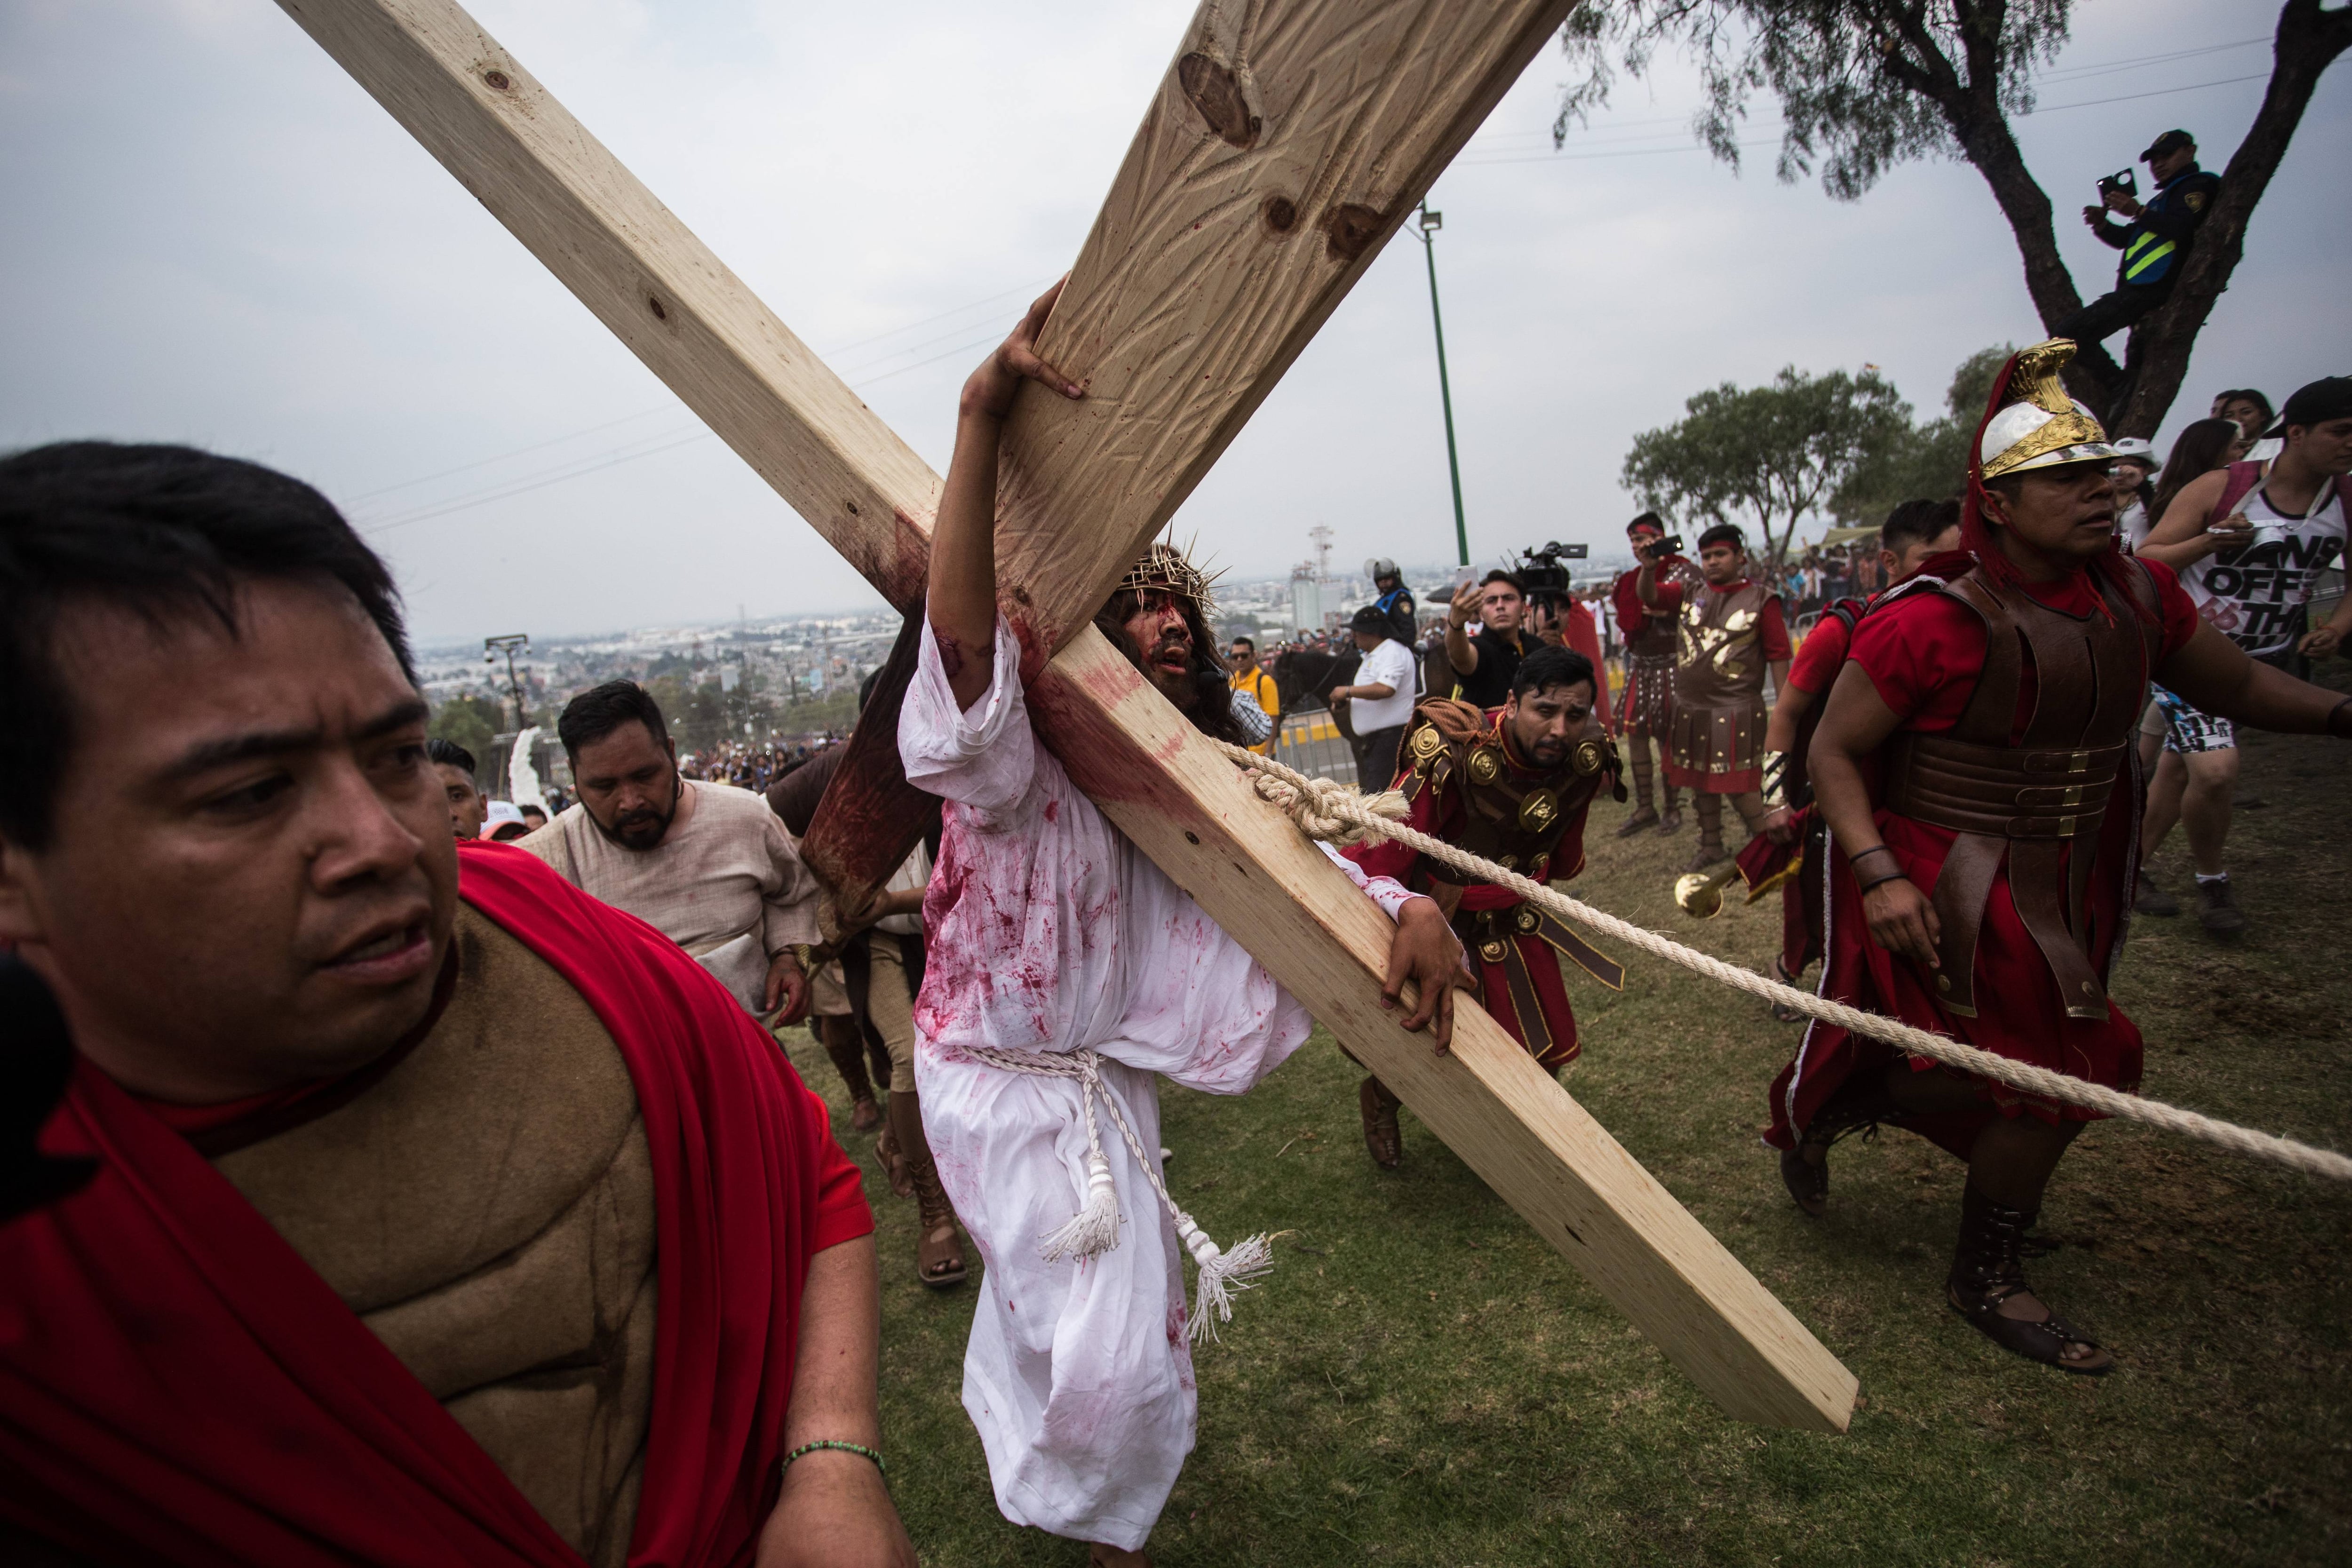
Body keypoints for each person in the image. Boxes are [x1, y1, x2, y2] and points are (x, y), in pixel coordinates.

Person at [0, 441, 908, 1566]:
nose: (382, 843)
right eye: (247, 792)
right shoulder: (36, 1242)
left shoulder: (555, 942)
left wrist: (827, 1465)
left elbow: (804, 1178)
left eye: (391, 760)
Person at [901, 284, 1466, 1567]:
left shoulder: (1193, 773)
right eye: (1134, 602)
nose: (1161, 624)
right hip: (996, 1079)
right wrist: (980, 416)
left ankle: (1084, 1492)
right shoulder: (1014, 764)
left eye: (1180, 610)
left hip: (1101, 1089)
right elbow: (965, 642)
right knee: (1108, 1362)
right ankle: (1106, 1530)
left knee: (1118, 1331)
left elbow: (1268, 872)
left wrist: (1407, 899)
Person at [1764, 341, 2352, 1377]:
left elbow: (2248, 689)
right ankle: (1983, 1271)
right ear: (1997, 502)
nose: (2103, 493)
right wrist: (1876, 873)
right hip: (1947, 874)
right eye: (2067, 479)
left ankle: (1852, 1096)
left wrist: (2345, 713)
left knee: (2032, 1068)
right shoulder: (1927, 622)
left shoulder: (2139, 597)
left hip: (2072, 869)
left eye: (2106, 475)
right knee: (2074, 1069)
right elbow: (1834, 751)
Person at [1342, 645, 1626, 1167]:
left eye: (1575, 714)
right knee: (1420, 1043)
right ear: (1513, 704)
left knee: (1538, 1047)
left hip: (1515, 919)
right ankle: (1381, 1099)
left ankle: (1521, 1145)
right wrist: (1409, 915)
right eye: (1545, 710)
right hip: (1441, 926)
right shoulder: (1449, 753)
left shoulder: (1585, 759)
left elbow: (1562, 860)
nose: (1560, 729)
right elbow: (1383, 851)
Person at [2134, 375, 2352, 935]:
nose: (2349, 443)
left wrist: (2335, 627)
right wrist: (2209, 541)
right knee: (2215, 770)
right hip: (2193, 657)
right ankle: (2213, 885)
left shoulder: (2345, 501)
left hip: (2268, 661)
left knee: (2179, 770)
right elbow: (2147, 559)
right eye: (2340, 431)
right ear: (2296, 434)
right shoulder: (2221, 488)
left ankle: (2127, 867)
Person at [770, 715, 969, 1292]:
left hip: (946, 940)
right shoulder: (836, 772)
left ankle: (896, 1139)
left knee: (962, 1066)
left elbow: (968, 883)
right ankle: (935, 1216)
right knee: (910, 1060)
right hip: (878, 946)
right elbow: (763, 825)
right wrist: (827, 887)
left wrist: (886, 901)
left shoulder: (965, 767)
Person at [1749, 501, 1960, 1019]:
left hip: (1917, 805)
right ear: (1889, 562)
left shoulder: (1965, 626)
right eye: (1932, 560)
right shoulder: (1842, 628)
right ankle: (1790, 974)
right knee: (1820, 904)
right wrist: (1774, 801)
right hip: (1838, 802)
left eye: (1961, 563)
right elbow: (1785, 716)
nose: (1951, 577)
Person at [519, 680, 819, 1021]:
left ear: (672, 754)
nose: (631, 801)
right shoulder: (547, 860)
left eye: (645, 775)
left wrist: (788, 956)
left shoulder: (746, 818)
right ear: (575, 777)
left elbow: (791, 893)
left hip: (751, 1047)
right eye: (605, 786)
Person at [1638, 522, 1792, 872]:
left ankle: (1769, 847)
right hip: (1691, 708)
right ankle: (1712, 845)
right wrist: (1649, 569)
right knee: (1699, 780)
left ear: (1740, 557)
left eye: (1720, 554)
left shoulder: (1762, 600)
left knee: (1742, 785)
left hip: (1736, 709)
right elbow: (1649, 596)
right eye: (1706, 556)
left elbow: (1780, 656)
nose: (1712, 562)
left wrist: (1787, 710)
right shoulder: (1690, 590)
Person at [2058, 129, 2221, 350]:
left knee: (2067, 333)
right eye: (2154, 161)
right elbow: (2126, 238)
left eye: (2167, 156)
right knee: (2136, 370)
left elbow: (2182, 228)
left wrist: (2138, 212)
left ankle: (2116, 383)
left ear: (2191, 151)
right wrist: (2101, 224)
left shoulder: (2198, 185)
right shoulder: (2159, 201)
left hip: (2156, 289)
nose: (2159, 165)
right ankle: (2122, 384)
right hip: (2139, 292)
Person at [1611, 513, 1697, 836]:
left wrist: (1672, 613)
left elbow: (1700, 608)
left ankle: (1673, 808)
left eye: (1643, 539)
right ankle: (1645, 806)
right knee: (1635, 735)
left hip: (1672, 665)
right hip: (1642, 666)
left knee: (1668, 737)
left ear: (1659, 537)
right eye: (1633, 541)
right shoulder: (1631, 576)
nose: (1638, 546)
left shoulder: (1682, 568)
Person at [1330, 603, 1419, 790]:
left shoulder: (1392, 651)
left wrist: (1347, 691)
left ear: (1372, 631)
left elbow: (1387, 689)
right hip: (1377, 742)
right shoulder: (1375, 655)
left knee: (1381, 799)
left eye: (1357, 631)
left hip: (1390, 740)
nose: (1353, 636)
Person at [1443, 568, 1529, 709]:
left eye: (1508, 598)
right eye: (1491, 601)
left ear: (1524, 607)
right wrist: (1456, 624)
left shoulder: (1537, 646)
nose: (1500, 606)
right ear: (1481, 612)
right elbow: (1460, 657)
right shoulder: (1481, 649)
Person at [1228, 633, 1281, 756]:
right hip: (1240, 754)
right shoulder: (1231, 682)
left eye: (1244, 656)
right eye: (1235, 656)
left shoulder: (1265, 682)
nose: (1240, 660)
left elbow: (1273, 718)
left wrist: (1268, 753)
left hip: (1260, 754)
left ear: (1253, 655)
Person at [427, 735, 487, 839]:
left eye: (457, 796)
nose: (450, 815)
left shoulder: (516, 856)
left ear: (483, 807)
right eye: (430, 802)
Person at [2109, 438, 2159, 550]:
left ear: (2147, 470)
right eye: (2114, 466)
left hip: (2145, 564)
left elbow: (2162, 520)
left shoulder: (2154, 498)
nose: (2122, 471)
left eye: (2131, 465)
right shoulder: (2102, 501)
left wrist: (2141, 485)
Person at [1367, 557, 1418, 645]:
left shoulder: (1401, 598)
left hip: (1396, 648)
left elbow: (1407, 628)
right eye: (1380, 580)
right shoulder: (1383, 600)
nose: (1383, 582)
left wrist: (1404, 649)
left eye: (1387, 579)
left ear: (1395, 578)